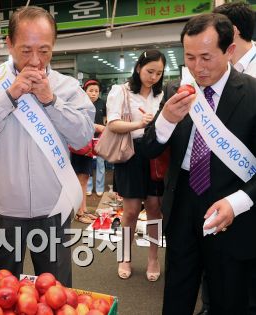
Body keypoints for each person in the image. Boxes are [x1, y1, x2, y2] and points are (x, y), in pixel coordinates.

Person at [142, 14, 256, 314]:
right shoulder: (176, 91)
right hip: (184, 207)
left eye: (207, 57)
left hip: (236, 212)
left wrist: (237, 203)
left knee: (231, 298)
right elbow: (148, 148)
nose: (198, 67)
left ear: (230, 51)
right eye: (190, 57)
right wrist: (166, 121)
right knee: (178, 293)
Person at [0, 6, 94, 286]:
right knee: (1, 293)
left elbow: (83, 137)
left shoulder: (67, 86)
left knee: (56, 292)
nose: (36, 60)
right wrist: (8, 96)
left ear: (54, 46)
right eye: (26, 50)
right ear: (9, 44)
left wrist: (52, 101)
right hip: (5, 210)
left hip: (54, 209)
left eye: (44, 51)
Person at [106, 50, 165, 281]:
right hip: (130, 153)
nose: (154, 77)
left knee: (154, 209)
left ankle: (153, 257)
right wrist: (140, 123)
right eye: (150, 71)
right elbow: (112, 124)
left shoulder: (163, 95)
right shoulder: (121, 91)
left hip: (156, 154)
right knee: (130, 212)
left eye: (159, 73)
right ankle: (125, 256)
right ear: (139, 67)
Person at [85, 79, 107, 197]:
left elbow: (105, 120)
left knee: (100, 163)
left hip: (100, 138)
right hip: (86, 138)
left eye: (96, 91)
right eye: (91, 91)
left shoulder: (103, 103)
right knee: (88, 162)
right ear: (85, 91)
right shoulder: (81, 103)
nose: (94, 93)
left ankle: (99, 187)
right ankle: (88, 187)